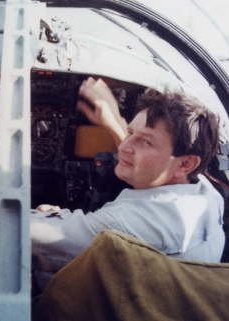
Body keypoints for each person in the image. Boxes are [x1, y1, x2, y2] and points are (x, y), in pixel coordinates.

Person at [31, 77, 225, 290]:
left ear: (186, 163)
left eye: (146, 141)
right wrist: (115, 124)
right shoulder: (207, 193)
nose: (125, 146)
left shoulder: (134, 223)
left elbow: (35, 238)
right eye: (131, 132)